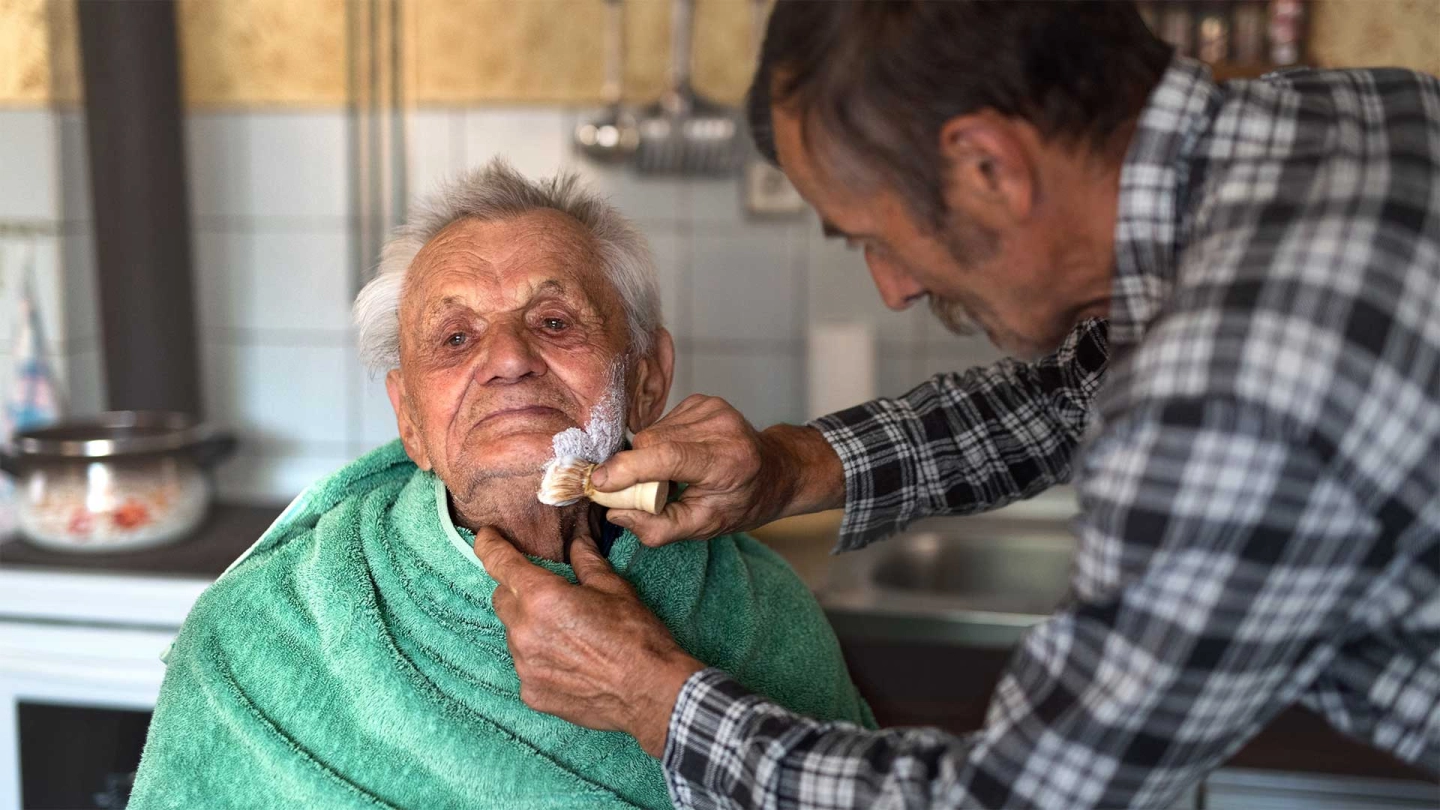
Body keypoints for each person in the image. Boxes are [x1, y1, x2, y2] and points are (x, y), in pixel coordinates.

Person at [474, 2, 1440, 807]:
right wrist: (794, 466)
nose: (893, 289)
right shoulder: (1349, 118)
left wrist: (652, 699)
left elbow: (1021, 801)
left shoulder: (1236, 382)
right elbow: (1081, 389)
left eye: (873, 236)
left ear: (987, 165)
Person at [128, 160, 873, 810]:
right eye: (455, 338)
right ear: (410, 422)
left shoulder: (759, 611)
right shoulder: (263, 629)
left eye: (553, 321)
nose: (508, 358)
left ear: (646, 382)